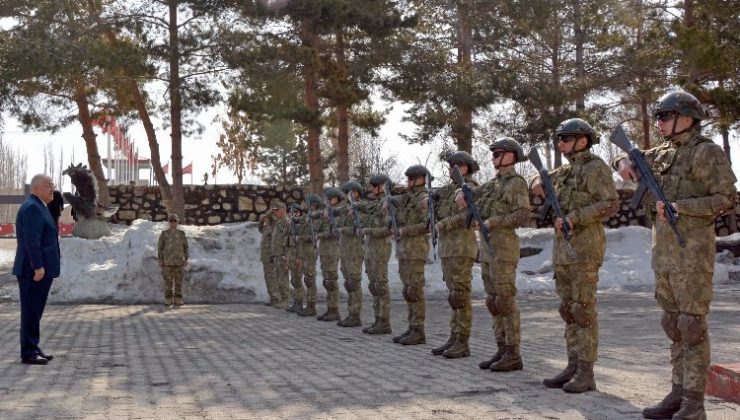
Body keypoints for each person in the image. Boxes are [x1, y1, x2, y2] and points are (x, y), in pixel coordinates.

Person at [614, 91, 737, 420]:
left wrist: (682, 208)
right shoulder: (663, 153)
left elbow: (726, 198)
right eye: (658, 117)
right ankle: (678, 391)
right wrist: (623, 163)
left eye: (665, 117)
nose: (659, 123)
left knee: (691, 325)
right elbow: (624, 160)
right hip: (665, 255)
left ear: (686, 118)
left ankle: (694, 403)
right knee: (672, 323)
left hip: (692, 253)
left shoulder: (706, 152)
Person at [531, 118, 618, 393]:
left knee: (583, 310)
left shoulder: (596, 168)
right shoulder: (565, 171)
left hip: (585, 247)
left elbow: (611, 204)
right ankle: (572, 364)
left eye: (565, 138)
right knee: (568, 309)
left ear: (582, 140)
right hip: (564, 250)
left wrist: (575, 217)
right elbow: (538, 181)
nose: (561, 143)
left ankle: (586, 371)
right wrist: (537, 182)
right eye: (559, 139)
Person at [474, 138, 531, 372]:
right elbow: (474, 197)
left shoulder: (516, 183)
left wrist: (495, 221)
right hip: (489, 250)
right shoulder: (492, 185)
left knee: (505, 301)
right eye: (493, 154)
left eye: (498, 153)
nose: (493, 157)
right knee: (493, 301)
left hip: (504, 249)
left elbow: (523, 215)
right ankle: (501, 348)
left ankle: (513, 352)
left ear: (511, 155)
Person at [430, 151, 479, 359]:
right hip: (447, 249)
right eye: (450, 166)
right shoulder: (449, 190)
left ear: (465, 167)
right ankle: (454, 336)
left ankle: (463, 341)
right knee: (453, 296)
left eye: (455, 165)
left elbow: (468, 213)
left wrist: (444, 223)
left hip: (461, 248)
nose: (451, 169)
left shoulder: (471, 188)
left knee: (461, 295)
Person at [13, 174, 61, 365]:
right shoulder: (33, 208)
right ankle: (29, 352)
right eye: (49, 186)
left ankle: (33, 346)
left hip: (37, 269)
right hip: (33, 271)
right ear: (38, 188)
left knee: (34, 311)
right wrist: (38, 266)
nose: (53, 190)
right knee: (31, 311)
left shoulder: (39, 206)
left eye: (53, 186)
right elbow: (32, 241)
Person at [389, 164, 430, 346]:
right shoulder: (408, 197)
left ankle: (418, 330)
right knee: (408, 290)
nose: (409, 182)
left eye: (413, 178)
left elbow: (426, 225)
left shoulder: (424, 197)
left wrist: (404, 230)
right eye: (408, 178)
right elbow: (396, 200)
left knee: (414, 290)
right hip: (404, 250)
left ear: (422, 178)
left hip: (415, 249)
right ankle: (412, 326)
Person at [360, 175, 394, 335]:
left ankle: (384, 321)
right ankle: (378, 319)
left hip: (380, 248)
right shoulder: (374, 203)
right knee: (374, 285)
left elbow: (388, 228)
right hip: (370, 248)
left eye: (375, 186)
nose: (372, 189)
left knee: (380, 285)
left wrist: (368, 230)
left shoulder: (388, 203)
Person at [336, 181, 366, 327]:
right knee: (348, 283)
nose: (344, 195)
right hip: (345, 250)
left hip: (354, 250)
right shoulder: (346, 208)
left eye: (347, 192)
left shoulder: (360, 207)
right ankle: (350, 313)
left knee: (354, 282)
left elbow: (357, 228)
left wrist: (342, 230)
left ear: (355, 193)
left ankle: (355, 314)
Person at [316, 188, 343, 321]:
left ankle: (335, 310)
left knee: (331, 281)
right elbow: (320, 227)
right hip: (324, 250)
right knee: (327, 280)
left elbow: (334, 232)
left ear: (336, 198)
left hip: (332, 250)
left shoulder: (338, 211)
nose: (327, 200)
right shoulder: (327, 211)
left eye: (330, 198)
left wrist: (320, 234)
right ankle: (330, 309)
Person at [296, 194, 322, 317]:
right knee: (307, 278)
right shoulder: (308, 216)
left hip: (311, 250)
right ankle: (309, 305)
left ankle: (312, 306)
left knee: (310, 278)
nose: (306, 204)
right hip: (304, 251)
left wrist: (300, 237)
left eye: (308, 202)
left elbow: (314, 234)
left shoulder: (317, 216)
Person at [157, 214, 189, 307]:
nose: (173, 222)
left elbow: (186, 247)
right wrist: (160, 260)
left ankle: (178, 299)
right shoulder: (164, 234)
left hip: (179, 261)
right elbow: (160, 248)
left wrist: (186, 258)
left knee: (179, 282)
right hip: (167, 262)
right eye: (171, 221)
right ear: (169, 222)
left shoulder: (181, 234)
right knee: (168, 282)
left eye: (175, 220)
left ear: (177, 222)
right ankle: (168, 299)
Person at [269, 200, 291, 309]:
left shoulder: (287, 222)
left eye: (277, 211)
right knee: (278, 278)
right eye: (274, 211)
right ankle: (281, 299)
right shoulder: (278, 223)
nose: (275, 213)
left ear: (282, 210)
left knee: (283, 278)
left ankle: (285, 300)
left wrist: (286, 255)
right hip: (277, 254)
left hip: (283, 255)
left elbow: (288, 240)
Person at [286, 204, 305, 313]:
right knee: (293, 280)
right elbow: (287, 243)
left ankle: (300, 303)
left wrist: (299, 258)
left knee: (298, 280)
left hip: (298, 255)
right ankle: (296, 303)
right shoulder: (289, 226)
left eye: (297, 212)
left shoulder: (301, 226)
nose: (294, 214)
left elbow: (301, 244)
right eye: (292, 212)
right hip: (291, 255)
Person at [258, 213, 279, 306]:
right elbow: (260, 229)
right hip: (265, 257)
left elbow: (275, 242)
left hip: (270, 257)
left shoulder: (273, 228)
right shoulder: (266, 228)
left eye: (265, 218)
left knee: (272, 278)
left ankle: (276, 298)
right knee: (268, 278)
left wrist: (274, 255)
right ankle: (272, 297)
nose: (264, 219)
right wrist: (261, 221)